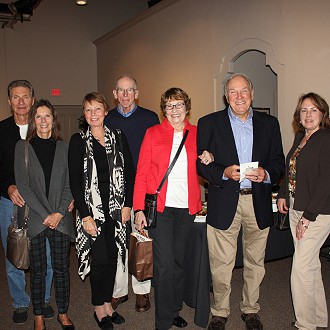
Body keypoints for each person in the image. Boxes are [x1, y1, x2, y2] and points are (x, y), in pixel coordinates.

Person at [196, 73, 285, 330]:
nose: (239, 97)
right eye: (233, 92)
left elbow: (278, 161)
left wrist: (267, 173)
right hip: (225, 200)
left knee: (255, 261)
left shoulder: (270, 124)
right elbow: (200, 164)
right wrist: (222, 173)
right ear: (226, 96)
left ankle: (250, 309)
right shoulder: (209, 123)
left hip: (257, 200)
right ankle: (220, 311)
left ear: (252, 93)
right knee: (221, 263)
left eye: (243, 91)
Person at [134, 87, 213, 330]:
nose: (174, 110)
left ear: (187, 107)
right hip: (161, 208)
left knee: (179, 262)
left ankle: (175, 308)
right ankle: (163, 320)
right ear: (164, 110)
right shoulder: (153, 133)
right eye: (169, 106)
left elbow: (209, 160)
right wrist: (138, 209)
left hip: (187, 208)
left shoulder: (198, 134)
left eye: (178, 105)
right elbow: (142, 172)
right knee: (163, 264)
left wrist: (211, 156)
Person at [68, 92, 135, 330]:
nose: (93, 114)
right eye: (88, 110)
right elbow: (75, 182)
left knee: (115, 258)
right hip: (92, 213)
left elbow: (130, 173)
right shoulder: (78, 141)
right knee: (101, 259)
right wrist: (85, 215)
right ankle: (99, 307)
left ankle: (108, 304)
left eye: (97, 109)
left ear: (106, 111)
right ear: (84, 115)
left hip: (117, 210)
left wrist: (127, 204)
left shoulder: (118, 137)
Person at [14, 99, 75, 330]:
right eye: (38, 116)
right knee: (38, 271)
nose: (42, 120)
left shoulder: (64, 147)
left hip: (60, 220)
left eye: (47, 115)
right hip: (37, 220)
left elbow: (70, 184)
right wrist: (46, 215)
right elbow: (24, 186)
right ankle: (38, 314)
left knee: (61, 269)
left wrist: (58, 213)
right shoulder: (23, 148)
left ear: (53, 119)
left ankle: (63, 312)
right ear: (33, 120)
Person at [0, 80, 54, 324]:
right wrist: (8, 186)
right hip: (9, 202)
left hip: (40, 203)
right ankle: (21, 301)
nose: (21, 102)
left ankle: (43, 299)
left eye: (25, 97)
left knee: (47, 254)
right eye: (15, 97)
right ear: (9, 101)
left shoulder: (41, 128)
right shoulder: (1, 130)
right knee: (15, 253)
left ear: (33, 100)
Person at [105, 74, 159, 312]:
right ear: (114, 94)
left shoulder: (150, 118)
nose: (125, 95)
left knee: (140, 240)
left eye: (130, 90)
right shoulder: (106, 119)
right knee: (117, 243)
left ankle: (142, 292)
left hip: (143, 189)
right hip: (116, 190)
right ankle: (119, 291)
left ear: (137, 93)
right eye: (121, 90)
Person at [277, 93, 330, 330]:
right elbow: (291, 170)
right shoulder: (301, 137)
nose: (308, 115)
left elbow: (326, 182)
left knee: (299, 268)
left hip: (316, 213)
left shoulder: (326, 138)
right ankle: (319, 318)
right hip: (297, 208)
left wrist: (308, 217)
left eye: (313, 110)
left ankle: (305, 325)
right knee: (310, 265)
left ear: (323, 114)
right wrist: (281, 194)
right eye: (304, 110)